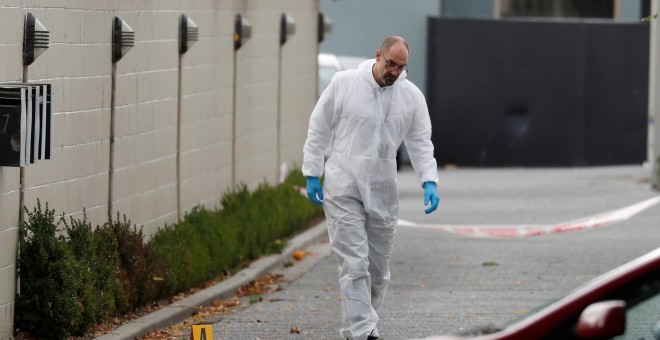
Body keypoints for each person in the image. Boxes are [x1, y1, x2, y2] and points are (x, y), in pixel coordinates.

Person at [302, 36, 440, 340]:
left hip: (382, 187)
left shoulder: (411, 97)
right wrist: (313, 171)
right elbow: (319, 126)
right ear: (378, 55)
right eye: (390, 64)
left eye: (401, 67)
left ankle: (359, 325)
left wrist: (428, 180)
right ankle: (363, 332)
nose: (394, 72)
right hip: (343, 184)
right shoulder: (344, 84)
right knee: (353, 263)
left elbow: (420, 141)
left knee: (377, 273)